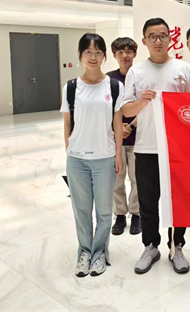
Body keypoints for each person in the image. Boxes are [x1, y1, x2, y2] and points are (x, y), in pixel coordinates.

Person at [121, 18, 190, 275]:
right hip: (146, 148)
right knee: (147, 202)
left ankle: (177, 247)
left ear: (170, 39)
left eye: (163, 35)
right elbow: (126, 110)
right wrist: (141, 102)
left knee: (178, 202)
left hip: (177, 149)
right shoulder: (136, 72)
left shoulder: (183, 69)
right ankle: (150, 246)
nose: (158, 40)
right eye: (152, 36)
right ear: (144, 41)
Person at [61, 33, 124, 277]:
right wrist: (69, 150)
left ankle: (99, 254)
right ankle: (85, 252)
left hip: (105, 157)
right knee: (81, 210)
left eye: (98, 52)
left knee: (105, 211)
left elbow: (117, 122)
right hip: (77, 159)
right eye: (88, 52)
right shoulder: (71, 87)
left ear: (104, 56)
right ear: (80, 55)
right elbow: (67, 123)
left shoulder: (114, 86)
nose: (93, 57)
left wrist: (118, 154)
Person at [107, 37, 141, 236]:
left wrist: (130, 125)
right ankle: (119, 215)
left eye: (128, 51)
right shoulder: (109, 80)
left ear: (134, 54)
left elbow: (146, 105)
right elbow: (106, 108)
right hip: (115, 139)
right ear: (114, 55)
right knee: (116, 180)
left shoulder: (140, 76)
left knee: (137, 180)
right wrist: (118, 127)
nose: (124, 55)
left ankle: (136, 214)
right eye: (120, 52)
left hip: (139, 138)